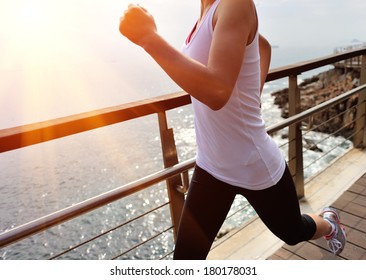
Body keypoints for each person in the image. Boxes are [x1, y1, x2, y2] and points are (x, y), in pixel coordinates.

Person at [119, 0, 347, 259]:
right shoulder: (206, 12)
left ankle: (329, 222)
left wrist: (148, 38)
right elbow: (262, 46)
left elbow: (216, 92)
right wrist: (251, 97)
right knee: (185, 260)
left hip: (253, 164)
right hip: (212, 166)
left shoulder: (235, 3)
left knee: (293, 232)